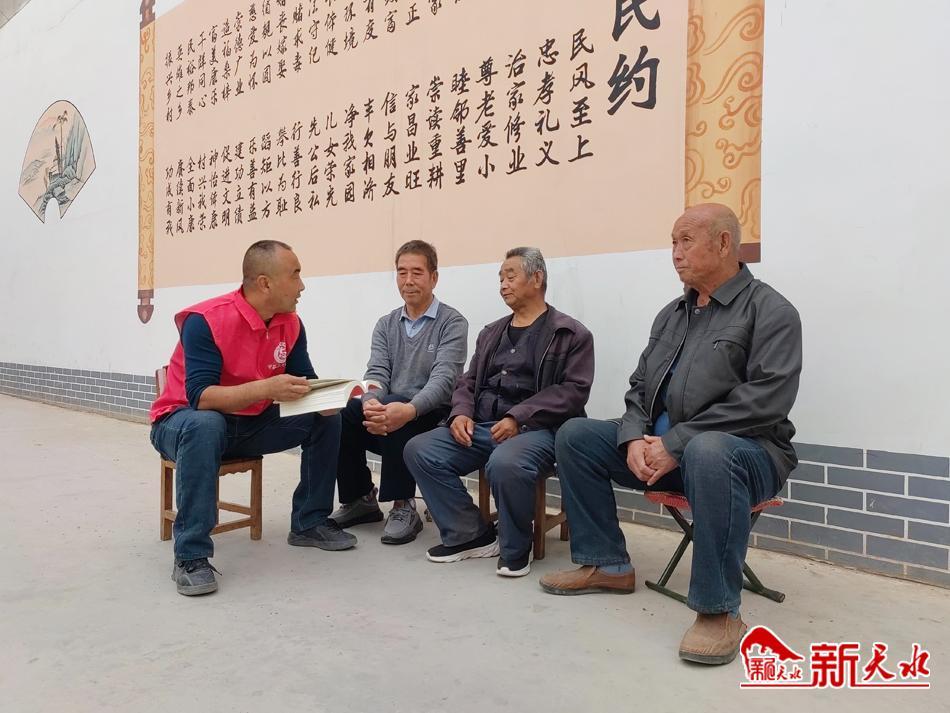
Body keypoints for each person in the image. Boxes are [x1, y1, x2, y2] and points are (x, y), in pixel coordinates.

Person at [540, 203, 802, 665]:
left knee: (708, 450)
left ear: (724, 243)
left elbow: (766, 401)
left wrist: (676, 444)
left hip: (746, 456)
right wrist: (633, 438)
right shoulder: (672, 314)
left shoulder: (770, 311)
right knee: (576, 435)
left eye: (686, 241)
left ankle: (719, 611)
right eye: (673, 243)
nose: (676, 253)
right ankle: (607, 564)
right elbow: (640, 387)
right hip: (666, 453)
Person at [150, 240, 355, 597]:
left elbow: (303, 380)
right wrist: (267, 388)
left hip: (248, 425)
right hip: (181, 423)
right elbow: (201, 398)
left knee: (326, 420)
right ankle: (191, 556)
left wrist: (326, 399)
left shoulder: (291, 324)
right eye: (295, 275)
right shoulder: (205, 321)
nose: (302, 286)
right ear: (265, 283)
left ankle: (309, 521)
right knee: (206, 424)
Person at [404, 247, 594, 577]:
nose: (503, 284)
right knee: (420, 449)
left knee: (505, 462)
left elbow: (573, 391)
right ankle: (470, 535)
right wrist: (461, 413)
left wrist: (518, 417)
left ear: (537, 278)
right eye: (500, 278)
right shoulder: (491, 332)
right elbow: (468, 380)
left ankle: (516, 547)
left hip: (539, 430)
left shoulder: (570, 334)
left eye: (510, 276)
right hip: (484, 426)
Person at [330, 240, 468, 544]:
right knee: (344, 413)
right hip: (391, 413)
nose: (408, 280)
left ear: (434, 277)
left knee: (394, 407)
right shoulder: (386, 324)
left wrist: (407, 409)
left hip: (432, 416)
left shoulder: (452, 323)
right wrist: (370, 401)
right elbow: (376, 373)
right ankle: (360, 499)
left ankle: (403, 504)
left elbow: (444, 380)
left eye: (417, 272)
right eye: (402, 272)